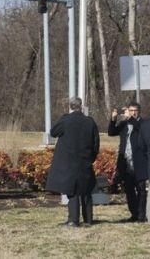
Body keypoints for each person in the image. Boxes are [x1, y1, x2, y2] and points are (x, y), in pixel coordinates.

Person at [45, 96, 100, 227]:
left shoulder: (66, 120)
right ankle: (88, 220)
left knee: (73, 191)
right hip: (85, 160)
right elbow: (96, 143)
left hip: (69, 162)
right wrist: (91, 157)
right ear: (81, 106)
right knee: (86, 191)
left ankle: (73, 220)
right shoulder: (90, 122)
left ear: (70, 106)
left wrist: (63, 117)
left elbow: (53, 132)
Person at [108, 100, 147, 222]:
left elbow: (139, 127)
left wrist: (131, 119)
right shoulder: (124, 123)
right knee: (129, 190)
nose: (133, 113)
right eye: (131, 111)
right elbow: (111, 132)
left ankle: (141, 215)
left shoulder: (143, 123)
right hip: (125, 162)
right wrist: (113, 119)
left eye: (135, 111)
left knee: (141, 189)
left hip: (139, 162)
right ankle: (134, 213)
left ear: (139, 112)